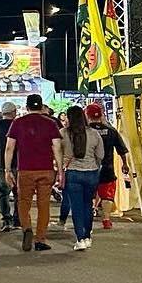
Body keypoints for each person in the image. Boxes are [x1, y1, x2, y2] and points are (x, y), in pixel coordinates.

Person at [4, 95, 62, 252]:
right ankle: (40, 239)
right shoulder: (50, 123)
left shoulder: (18, 123)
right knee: (44, 205)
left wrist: (7, 170)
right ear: (41, 107)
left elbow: (9, 148)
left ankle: (27, 228)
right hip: (46, 169)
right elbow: (57, 147)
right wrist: (60, 170)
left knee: (23, 202)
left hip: (25, 170)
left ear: (27, 106)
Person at [56, 104, 106, 251]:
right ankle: (88, 236)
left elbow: (57, 152)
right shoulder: (94, 133)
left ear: (69, 118)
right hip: (91, 173)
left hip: (73, 174)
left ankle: (80, 238)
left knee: (76, 207)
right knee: (87, 205)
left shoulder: (63, 133)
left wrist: (61, 168)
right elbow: (101, 155)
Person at [86, 101, 132, 229]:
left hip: (88, 168)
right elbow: (121, 149)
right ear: (101, 115)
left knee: (88, 193)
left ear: (87, 115)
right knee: (107, 195)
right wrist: (125, 164)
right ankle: (106, 219)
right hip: (107, 167)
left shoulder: (85, 131)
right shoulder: (111, 131)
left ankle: (89, 216)